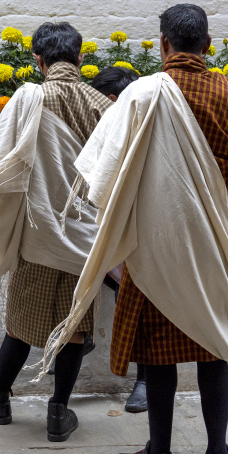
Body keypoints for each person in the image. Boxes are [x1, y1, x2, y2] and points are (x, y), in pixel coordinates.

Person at [49, 4, 228, 454]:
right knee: (213, 345)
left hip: (158, 243)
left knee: (158, 353)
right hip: (215, 243)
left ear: (163, 44)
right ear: (208, 45)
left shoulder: (143, 94)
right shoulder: (227, 89)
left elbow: (104, 167)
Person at [0, 22, 112, 441]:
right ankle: (58, 411)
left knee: (21, 319)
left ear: (38, 61)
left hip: (39, 231)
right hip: (86, 238)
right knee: (76, 322)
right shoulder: (104, 106)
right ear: (80, 59)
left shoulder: (29, 97)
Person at [90, 66, 147, 413]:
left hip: (139, 235)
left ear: (112, 100)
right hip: (103, 231)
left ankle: (145, 379)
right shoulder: (104, 127)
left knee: (140, 294)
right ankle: (75, 340)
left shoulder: (141, 124)